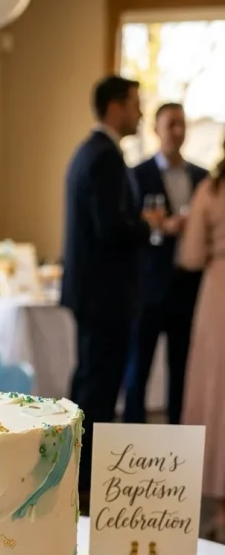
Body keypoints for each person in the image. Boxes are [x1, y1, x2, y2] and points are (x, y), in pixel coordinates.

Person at [62, 75, 153, 494]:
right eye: (136, 103)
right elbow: (111, 229)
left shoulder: (90, 152)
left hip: (96, 295)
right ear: (116, 107)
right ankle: (84, 488)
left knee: (90, 386)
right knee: (97, 392)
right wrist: (147, 224)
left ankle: (77, 478)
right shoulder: (104, 157)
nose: (140, 112)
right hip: (106, 297)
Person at [124, 103, 207, 425]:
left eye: (182, 124)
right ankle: (131, 435)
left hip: (187, 285)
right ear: (156, 130)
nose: (177, 131)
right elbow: (128, 227)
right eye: (171, 124)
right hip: (147, 285)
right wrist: (160, 226)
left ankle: (177, 437)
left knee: (182, 367)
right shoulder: (137, 174)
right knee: (138, 367)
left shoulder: (202, 178)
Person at [181, 146, 225, 538]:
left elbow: (192, 255)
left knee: (216, 391)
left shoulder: (211, 189)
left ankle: (220, 509)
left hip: (218, 291)